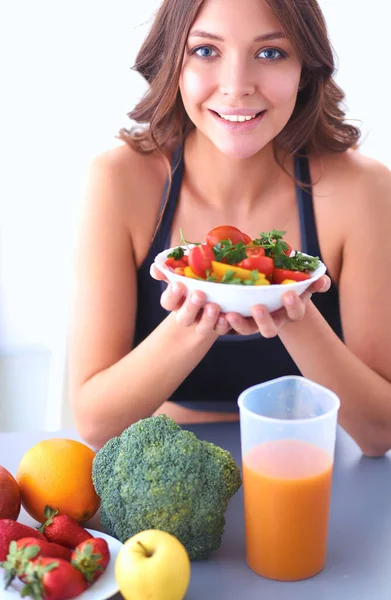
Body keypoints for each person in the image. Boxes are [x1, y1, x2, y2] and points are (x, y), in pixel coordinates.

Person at [69, 0, 391, 455]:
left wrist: (287, 307)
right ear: (172, 62)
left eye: (270, 53)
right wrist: (196, 317)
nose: (237, 87)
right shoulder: (119, 181)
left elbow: (379, 433)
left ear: (306, 67)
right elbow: (96, 422)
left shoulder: (363, 189)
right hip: (169, 466)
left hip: (307, 467)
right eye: (205, 51)